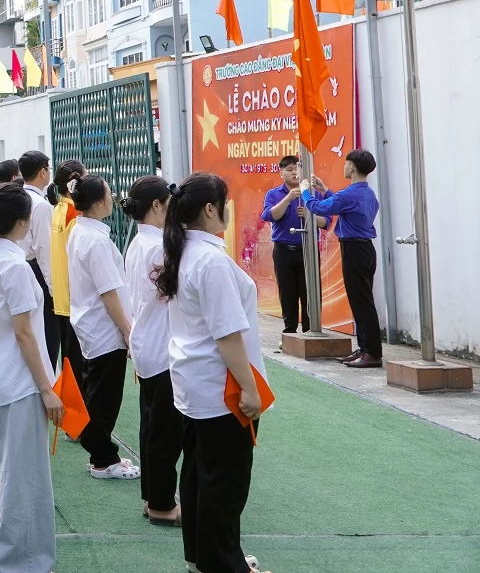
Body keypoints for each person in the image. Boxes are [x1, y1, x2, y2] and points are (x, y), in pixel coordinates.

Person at [157, 174, 269, 573]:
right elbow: (227, 334)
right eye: (226, 201)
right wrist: (249, 388)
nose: (229, 208)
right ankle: (223, 564)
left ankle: (204, 558)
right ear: (210, 209)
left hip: (196, 382)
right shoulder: (209, 260)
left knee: (200, 476)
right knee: (225, 483)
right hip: (220, 386)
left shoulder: (185, 251)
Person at [0, 183, 60, 573]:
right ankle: (19, 560)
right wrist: (47, 389)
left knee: (0, 471)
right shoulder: (13, 265)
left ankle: (4, 552)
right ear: (23, 222)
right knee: (22, 475)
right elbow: (24, 332)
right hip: (20, 381)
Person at [65, 176, 138, 481]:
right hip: (103, 327)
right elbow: (108, 291)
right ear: (97, 202)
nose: (112, 199)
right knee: (103, 399)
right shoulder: (93, 239)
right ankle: (102, 456)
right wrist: (127, 330)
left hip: (93, 324)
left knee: (99, 393)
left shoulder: (82, 232)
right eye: (108, 194)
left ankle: (101, 453)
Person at [122, 176, 181, 527]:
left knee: (152, 429)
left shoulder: (139, 243)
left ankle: (152, 497)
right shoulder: (158, 246)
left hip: (147, 341)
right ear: (157, 205)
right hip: (159, 345)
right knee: (164, 433)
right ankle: (160, 502)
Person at [303, 150, 382, 367]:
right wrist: (324, 190)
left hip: (355, 251)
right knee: (361, 302)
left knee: (362, 304)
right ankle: (365, 349)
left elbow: (318, 207)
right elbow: (342, 205)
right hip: (364, 250)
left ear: (352, 167)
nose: (344, 166)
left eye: (346, 163)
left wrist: (305, 193)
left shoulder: (351, 194)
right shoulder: (366, 193)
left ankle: (373, 353)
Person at [18, 151, 60, 367]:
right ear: (42, 172)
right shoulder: (40, 204)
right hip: (37, 271)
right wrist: (54, 291)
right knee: (47, 335)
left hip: (22, 266)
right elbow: (45, 249)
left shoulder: (19, 196)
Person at [260, 156, 310, 340]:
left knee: (308, 292)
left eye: (297, 168)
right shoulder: (274, 194)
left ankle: (309, 331)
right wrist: (288, 199)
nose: (294, 172)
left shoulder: (311, 193)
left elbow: (325, 221)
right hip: (283, 250)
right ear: (281, 173)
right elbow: (269, 215)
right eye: (289, 169)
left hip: (307, 250)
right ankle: (289, 332)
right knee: (287, 291)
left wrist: (308, 215)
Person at [45, 159, 86, 377]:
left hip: (62, 297)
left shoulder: (59, 209)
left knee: (70, 361)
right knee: (78, 366)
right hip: (74, 298)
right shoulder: (73, 214)